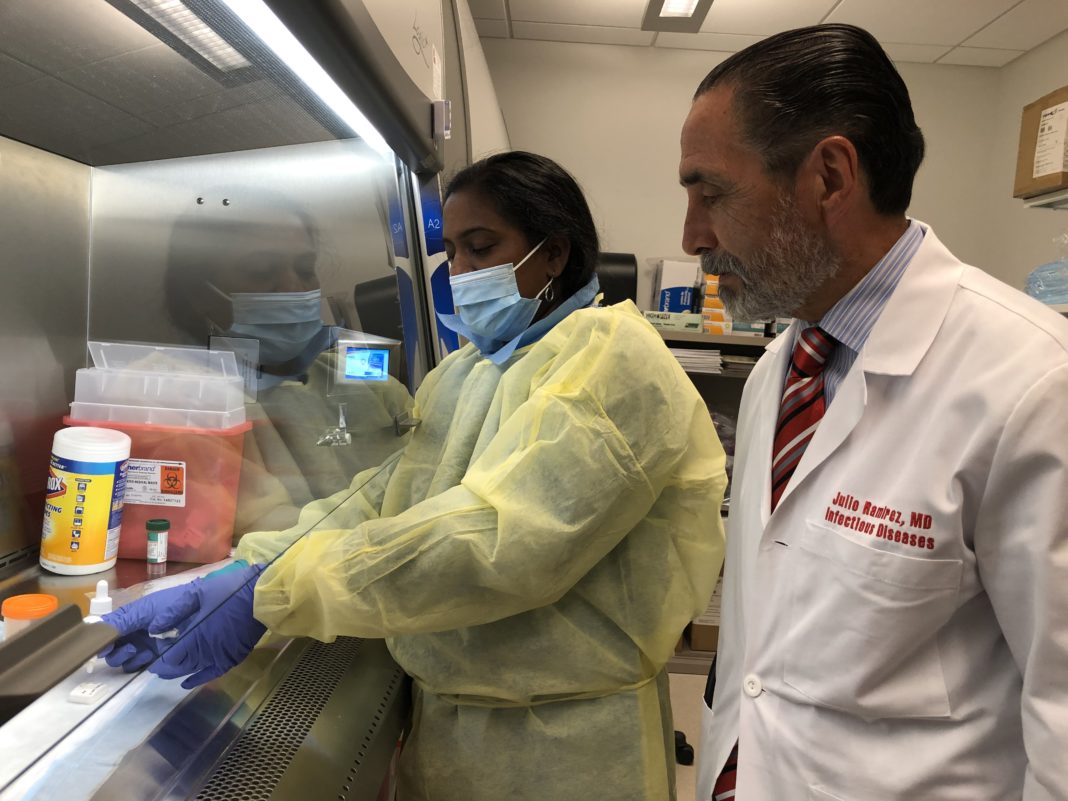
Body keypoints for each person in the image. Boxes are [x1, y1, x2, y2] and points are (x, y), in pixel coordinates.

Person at [103, 151, 728, 800]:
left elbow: (495, 542)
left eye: (481, 248)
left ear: (553, 254)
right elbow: (386, 493)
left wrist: (276, 591)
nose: (458, 273)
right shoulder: (469, 371)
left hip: (567, 749)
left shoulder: (613, 360)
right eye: (451, 253)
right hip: (452, 732)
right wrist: (252, 567)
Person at [680, 23, 1068, 801]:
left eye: (711, 192)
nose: (692, 235)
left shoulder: (1033, 385)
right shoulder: (777, 371)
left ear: (828, 176)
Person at [162, 198, 414, 534]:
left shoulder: (357, 371)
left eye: (305, 268)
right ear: (200, 295)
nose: (294, 288)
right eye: (261, 272)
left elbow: (429, 468)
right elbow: (260, 533)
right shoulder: (184, 397)